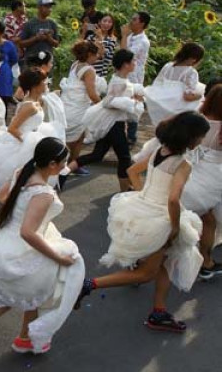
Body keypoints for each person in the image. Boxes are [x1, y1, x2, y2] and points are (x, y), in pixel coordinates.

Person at [0, 137, 84, 370]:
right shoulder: (43, 192)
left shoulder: (24, 172)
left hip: (5, 242)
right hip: (18, 251)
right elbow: (29, 232)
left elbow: (2, 197)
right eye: (63, 161)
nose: (65, 165)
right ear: (51, 164)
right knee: (0, 302)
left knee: (35, 289)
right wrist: (58, 257)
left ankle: (25, 339)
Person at [78, 112, 209, 331]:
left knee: (168, 261)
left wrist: (144, 197)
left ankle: (159, 311)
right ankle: (89, 285)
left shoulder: (159, 150)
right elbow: (174, 198)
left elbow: (132, 171)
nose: (202, 141)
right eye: (201, 136)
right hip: (162, 217)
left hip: (144, 208)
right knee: (147, 273)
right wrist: (175, 227)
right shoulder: (182, 163)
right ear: (191, 137)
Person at [67, 49, 145, 192]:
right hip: (113, 124)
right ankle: (124, 190)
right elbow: (108, 102)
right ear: (125, 64)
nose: (135, 63)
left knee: (97, 155)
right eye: (133, 61)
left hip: (114, 123)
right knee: (124, 157)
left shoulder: (122, 79)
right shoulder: (118, 81)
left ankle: (63, 172)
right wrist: (132, 103)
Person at [0, 69, 61, 192]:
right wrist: (28, 142)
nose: (47, 84)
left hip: (33, 136)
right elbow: (12, 128)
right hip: (21, 140)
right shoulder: (29, 106)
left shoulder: (37, 101)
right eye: (44, 82)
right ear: (35, 86)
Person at [182, 86, 222, 280]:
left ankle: (205, 261)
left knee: (205, 219)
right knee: (202, 219)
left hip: (189, 171)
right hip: (212, 178)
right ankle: (205, 263)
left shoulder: (197, 119)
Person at [60, 41, 106, 168]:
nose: (97, 58)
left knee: (80, 136)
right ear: (90, 54)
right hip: (78, 108)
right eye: (96, 55)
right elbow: (92, 93)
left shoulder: (75, 64)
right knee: (72, 140)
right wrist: (103, 106)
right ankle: (63, 166)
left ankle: (74, 164)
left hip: (69, 104)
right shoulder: (89, 70)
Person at [143, 43, 205, 125]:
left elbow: (157, 83)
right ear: (194, 59)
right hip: (180, 109)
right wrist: (200, 95)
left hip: (163, 104)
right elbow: (188, 96)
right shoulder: (191, 72)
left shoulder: (168, 66)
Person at [120, 11, 151, 144]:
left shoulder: (143, 41)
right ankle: (120, 132)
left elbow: (124, 55)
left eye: (134, 19)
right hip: (123, 74)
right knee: (121, 103)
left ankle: (132, 136)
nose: (130, 22)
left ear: (142, 23)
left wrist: (124, 35)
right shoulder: (131, 36)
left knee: (134, 103)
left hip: (134, 77)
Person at [19, 0, 61, 67]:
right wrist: (36, 38)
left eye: (50, 7)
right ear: (39, 7)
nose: (49, 9)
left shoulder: (52, 24)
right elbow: (21, 44)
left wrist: (49, 38)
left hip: (46, 63)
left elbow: (56, 44)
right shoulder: (29, 24)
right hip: (32, 63)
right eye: (46, 6)